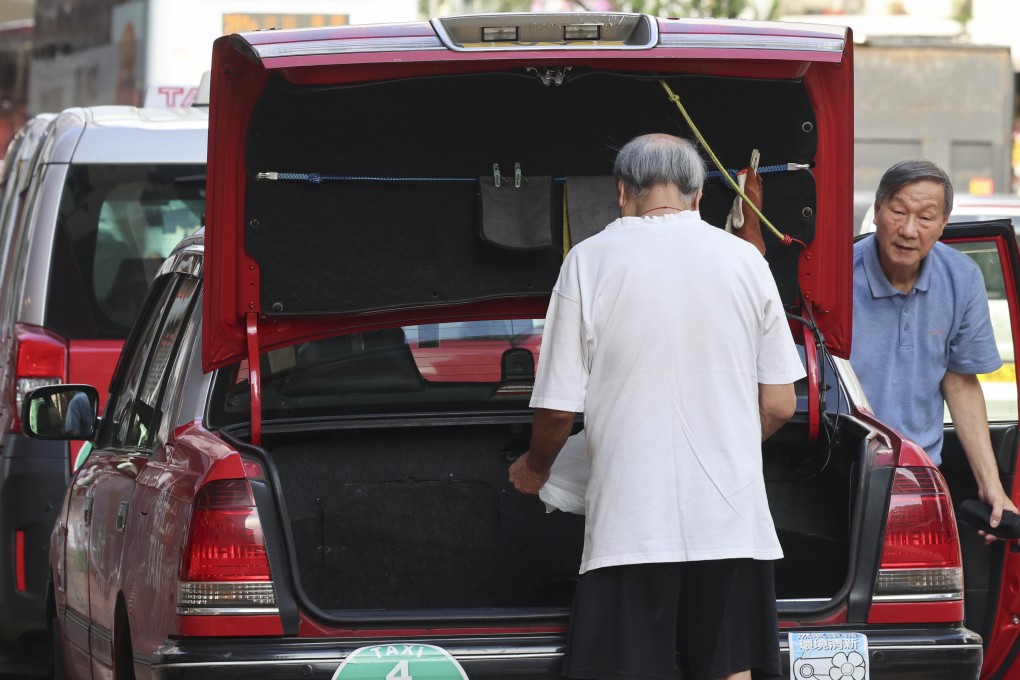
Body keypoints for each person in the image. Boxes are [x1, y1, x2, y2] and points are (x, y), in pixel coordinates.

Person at [508, 133, 805, 680]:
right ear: (698, 197)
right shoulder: (746, 260)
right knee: (730, 668)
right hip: (731, 520)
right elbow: (782, 404)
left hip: (631, 523)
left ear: (621, 193)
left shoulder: (588, 261)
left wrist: (536, 469)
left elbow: (555, 411)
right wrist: (724, 447)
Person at [850, 160, 1018, 535]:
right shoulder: (840, 277)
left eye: (926, 218)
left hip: (919, 474)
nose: (909, 230)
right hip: (842, 465)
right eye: (898, 211)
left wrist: (991, 487)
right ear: (877, 211)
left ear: (943, 225)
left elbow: (960, 383)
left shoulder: (961, 277)